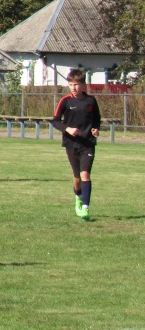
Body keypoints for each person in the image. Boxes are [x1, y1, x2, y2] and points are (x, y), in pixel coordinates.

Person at [51, 67, 101, 220]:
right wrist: (68, 129)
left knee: (85, 174)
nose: (73, 87)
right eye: (71, 84)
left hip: (88, 143)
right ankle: (78, 198)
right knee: (77, 178)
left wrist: (96, 129)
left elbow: (97, 118)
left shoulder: (90, 101)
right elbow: (55, 121)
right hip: (71, 144)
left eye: (76, 84)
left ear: (83, 85)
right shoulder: (65, 101)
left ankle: (86, 207)